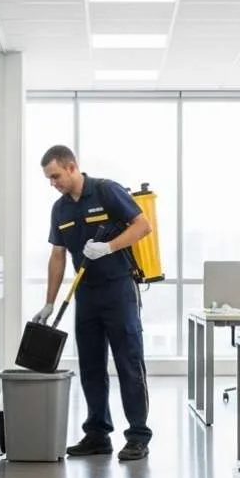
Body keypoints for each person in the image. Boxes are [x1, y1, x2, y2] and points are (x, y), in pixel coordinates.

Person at [37, 146, 153, 461]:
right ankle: (97, 434)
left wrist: (109, 247)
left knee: (129, 361)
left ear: (71, 167)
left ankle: (138, 436)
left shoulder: (106, 191)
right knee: (90, 365)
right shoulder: (60, 209)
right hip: (86, 293)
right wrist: (49, 303)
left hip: (119, 290)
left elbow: (143, 226)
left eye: (55, 176)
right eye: (49, 179)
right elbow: (57, 256)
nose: (53, 183)